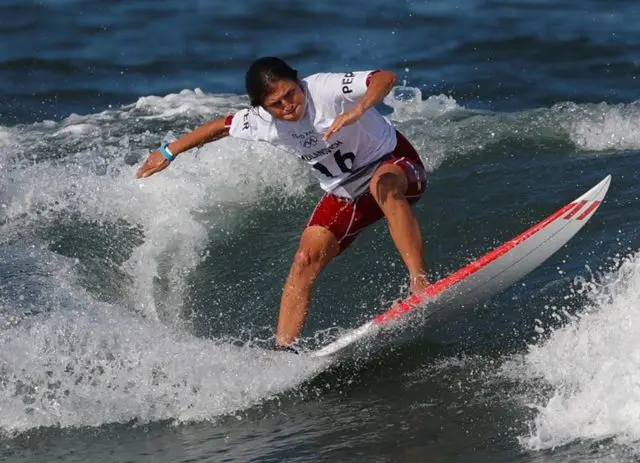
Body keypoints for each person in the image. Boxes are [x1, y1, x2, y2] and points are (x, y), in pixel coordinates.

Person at [136, 57, 430, 351]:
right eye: (276, 103)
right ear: (263, 108)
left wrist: (358, 109)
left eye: (290, 93)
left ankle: (419, 284)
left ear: (298, 82)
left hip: (394, 162)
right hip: (344, 189)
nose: (288, 105)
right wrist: (169, 151)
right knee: (305, 259)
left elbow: (384, 77)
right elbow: (222, 126)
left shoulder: (322, 89)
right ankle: (284, 351)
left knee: (384, 185)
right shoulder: (261, 122)